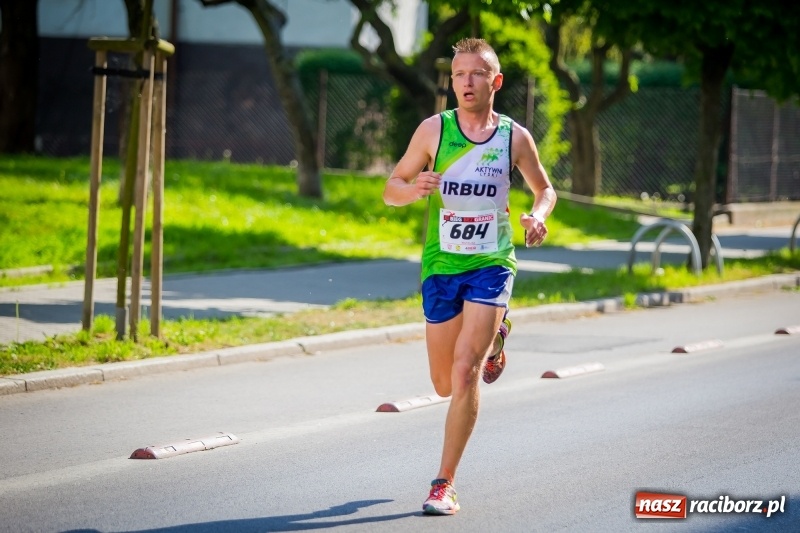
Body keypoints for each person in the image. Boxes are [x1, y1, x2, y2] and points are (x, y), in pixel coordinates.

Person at [382, 37, 557, 515]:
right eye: (459, 74)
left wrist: (538, 215)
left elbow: (545, 189)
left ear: (495, 82)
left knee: (465, 372)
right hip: (441, 266)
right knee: (441, 383)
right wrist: (413, 188)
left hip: (492, 263)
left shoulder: (513, 138)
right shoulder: (433, 132)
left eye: (477, 73)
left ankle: (444, 482)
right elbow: (390, 190)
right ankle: (499, 339)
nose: (466, 82)